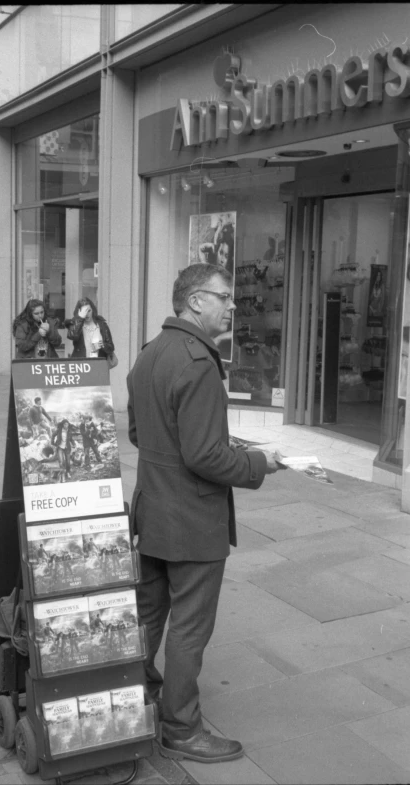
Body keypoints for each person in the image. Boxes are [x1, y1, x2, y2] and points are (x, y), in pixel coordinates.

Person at [127, 263, 281, 763]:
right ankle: (180, 728)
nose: (231, 305)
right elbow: (205, 457)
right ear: (195, 302)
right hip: (191, 521)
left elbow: (140, 433)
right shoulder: (196, 361)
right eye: (223, 296)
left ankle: (126, 692)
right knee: (190, 628)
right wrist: (259, 462)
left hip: (152, 509)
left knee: (148, 614)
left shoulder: (151, 354)